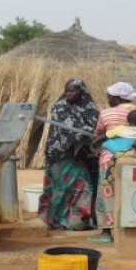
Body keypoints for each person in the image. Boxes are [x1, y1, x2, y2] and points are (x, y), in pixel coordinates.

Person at [39, 78, 101, 231]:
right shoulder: (61, 106)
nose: (68, 94)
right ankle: (52, 220)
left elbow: (94, 126)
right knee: (59, 188)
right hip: (60, 154)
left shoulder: (90, 107)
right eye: (66, 90)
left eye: (72, 91)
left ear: (81, 92)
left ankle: (75, 221)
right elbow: (70, 130)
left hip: (80, 156)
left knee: (82, 186)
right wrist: (88, 136)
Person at [91, 82, 136, 242]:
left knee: (106, 194)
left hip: (108, 159)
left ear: (116, 98)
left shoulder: (106, 114)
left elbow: (99, 133)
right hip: (134, 160)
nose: (107, 99)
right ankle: (130, 231)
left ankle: (107, 233)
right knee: (130, 194)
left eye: (109, 97)